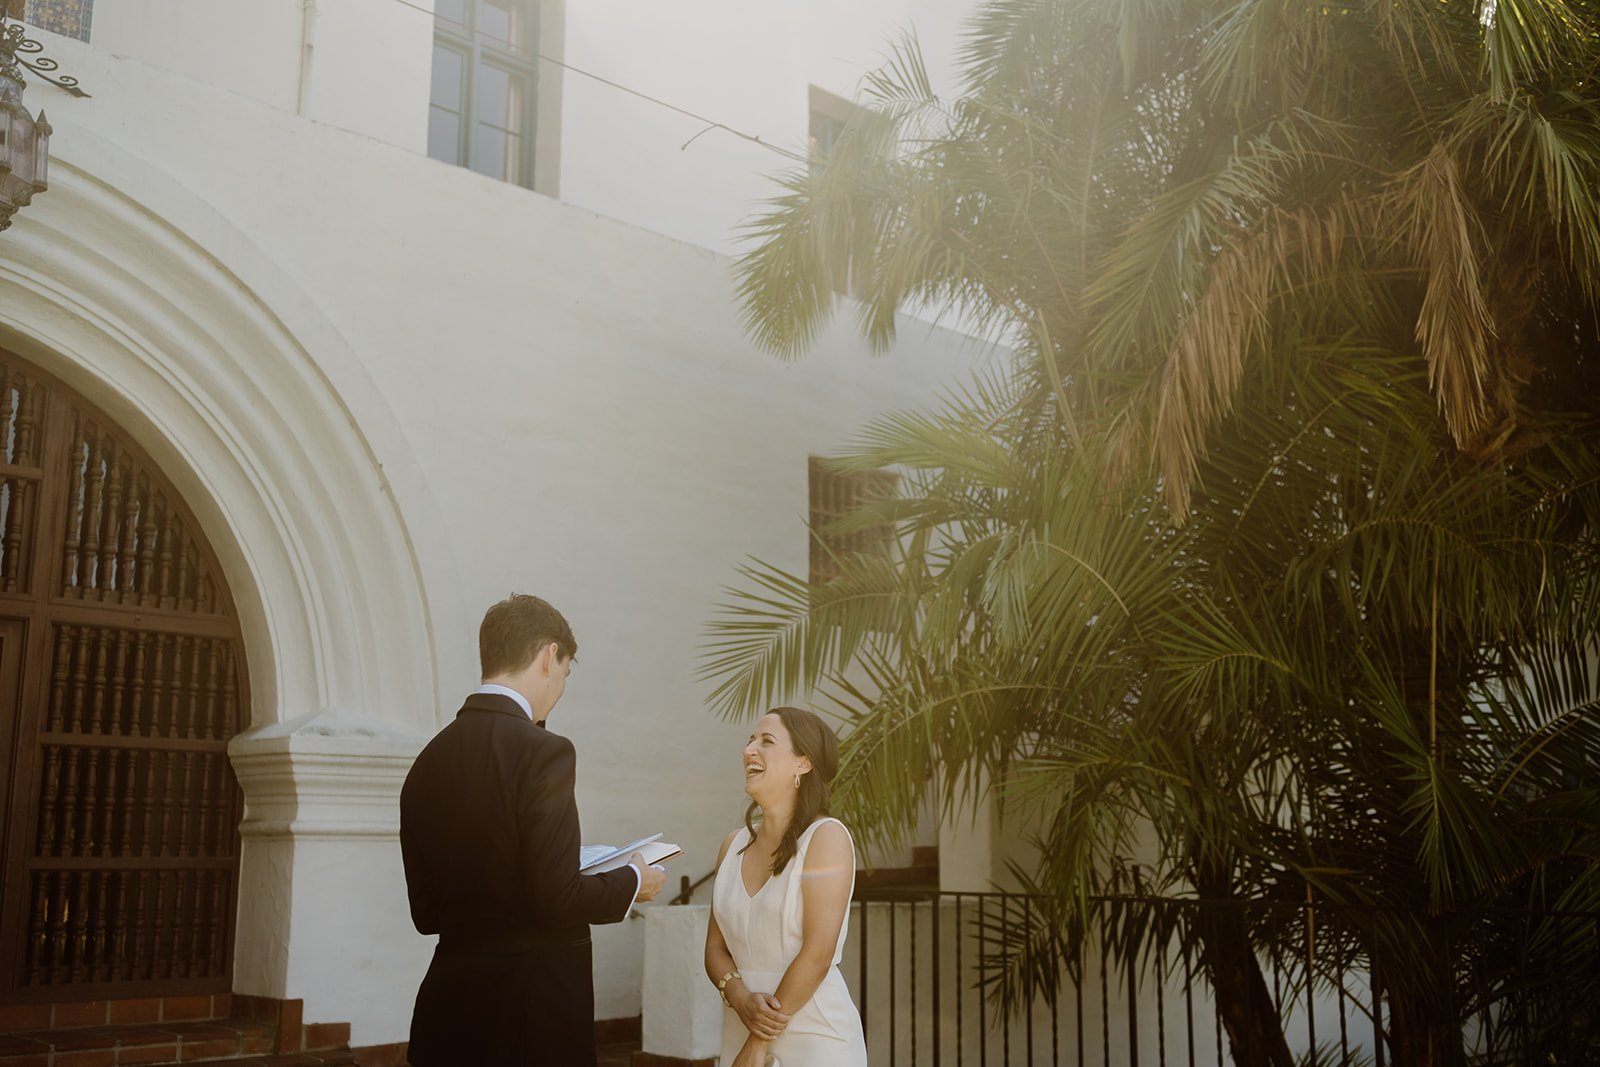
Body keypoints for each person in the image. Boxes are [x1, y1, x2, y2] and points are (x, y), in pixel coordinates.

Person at [400, 593, 667, 1067]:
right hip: (531, 1015)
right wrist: (631, 881)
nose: (561, 686)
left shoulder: (427, 762)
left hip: (449, 1009)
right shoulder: (545, 751)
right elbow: (555, 897)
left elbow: (426, 914)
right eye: (565, 672)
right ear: (549, 657)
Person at [704, 706, 867, 1067]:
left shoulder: (827, 838)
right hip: (739, 1025)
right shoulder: (731, 846)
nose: (749, 750)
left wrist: (757, 1042)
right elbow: (714, 949)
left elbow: (818, 954)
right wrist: (740, 997)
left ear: (803, 764)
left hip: (815, 1038)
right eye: (750, 741)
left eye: (766, 741)